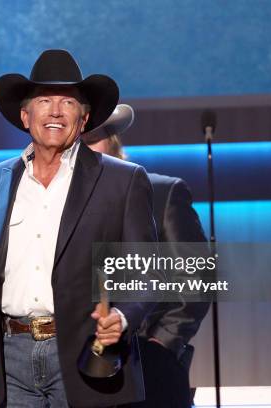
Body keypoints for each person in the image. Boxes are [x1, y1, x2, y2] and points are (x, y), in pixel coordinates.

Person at [0, 49, 161, 407]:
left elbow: (146, 273)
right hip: (9, 358)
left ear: (83, 120)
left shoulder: (122, 180)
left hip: (87, 354)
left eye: (67, 102)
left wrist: (123, 316)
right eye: (44, 101)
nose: (54, 111)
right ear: (25, 116)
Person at [83, 104, 210, 408]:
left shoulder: (162, 192)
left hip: (149, 361)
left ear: (112, 139)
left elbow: (195, 276)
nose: (86, 148)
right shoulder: (59, 203)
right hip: (82, 364)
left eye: (94, 138)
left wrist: (161, 342)